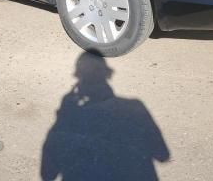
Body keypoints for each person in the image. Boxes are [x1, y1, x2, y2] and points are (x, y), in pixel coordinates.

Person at [41, 52, 169, 181]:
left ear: (79, 82)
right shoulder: (135, 108)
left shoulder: (68, 124)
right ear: (107, 75)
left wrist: (63, 118)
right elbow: (162, 155)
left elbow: (47, 174)